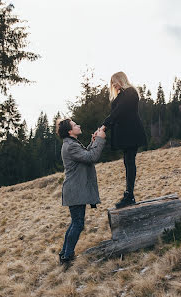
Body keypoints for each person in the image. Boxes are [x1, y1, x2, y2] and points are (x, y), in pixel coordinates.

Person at [56, 118, 106, 269]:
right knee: (77, 224)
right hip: (75, 190)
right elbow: (91, 157)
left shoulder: (72, 144)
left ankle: (65, 254)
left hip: (75, 190)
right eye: (75, 125)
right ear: (70, 131)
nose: (79, 125)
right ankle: (67, 256)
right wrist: (99, 140)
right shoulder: (71, 146)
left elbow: (85, 155)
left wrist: (93, 142)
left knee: (75, 223)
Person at [101, 71, 147, 209]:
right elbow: (116, 113)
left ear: (121, 79)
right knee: (127, 162)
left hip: (132, 133)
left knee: (130, 162)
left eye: (115, 81)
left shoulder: (130, 92)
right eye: (112, 82)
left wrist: (104, 126)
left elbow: (118, 112)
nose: (113, 84)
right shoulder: (122, 95)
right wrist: (103, 127)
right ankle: (129, 194)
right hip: (127, 134)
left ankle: (129, 195)